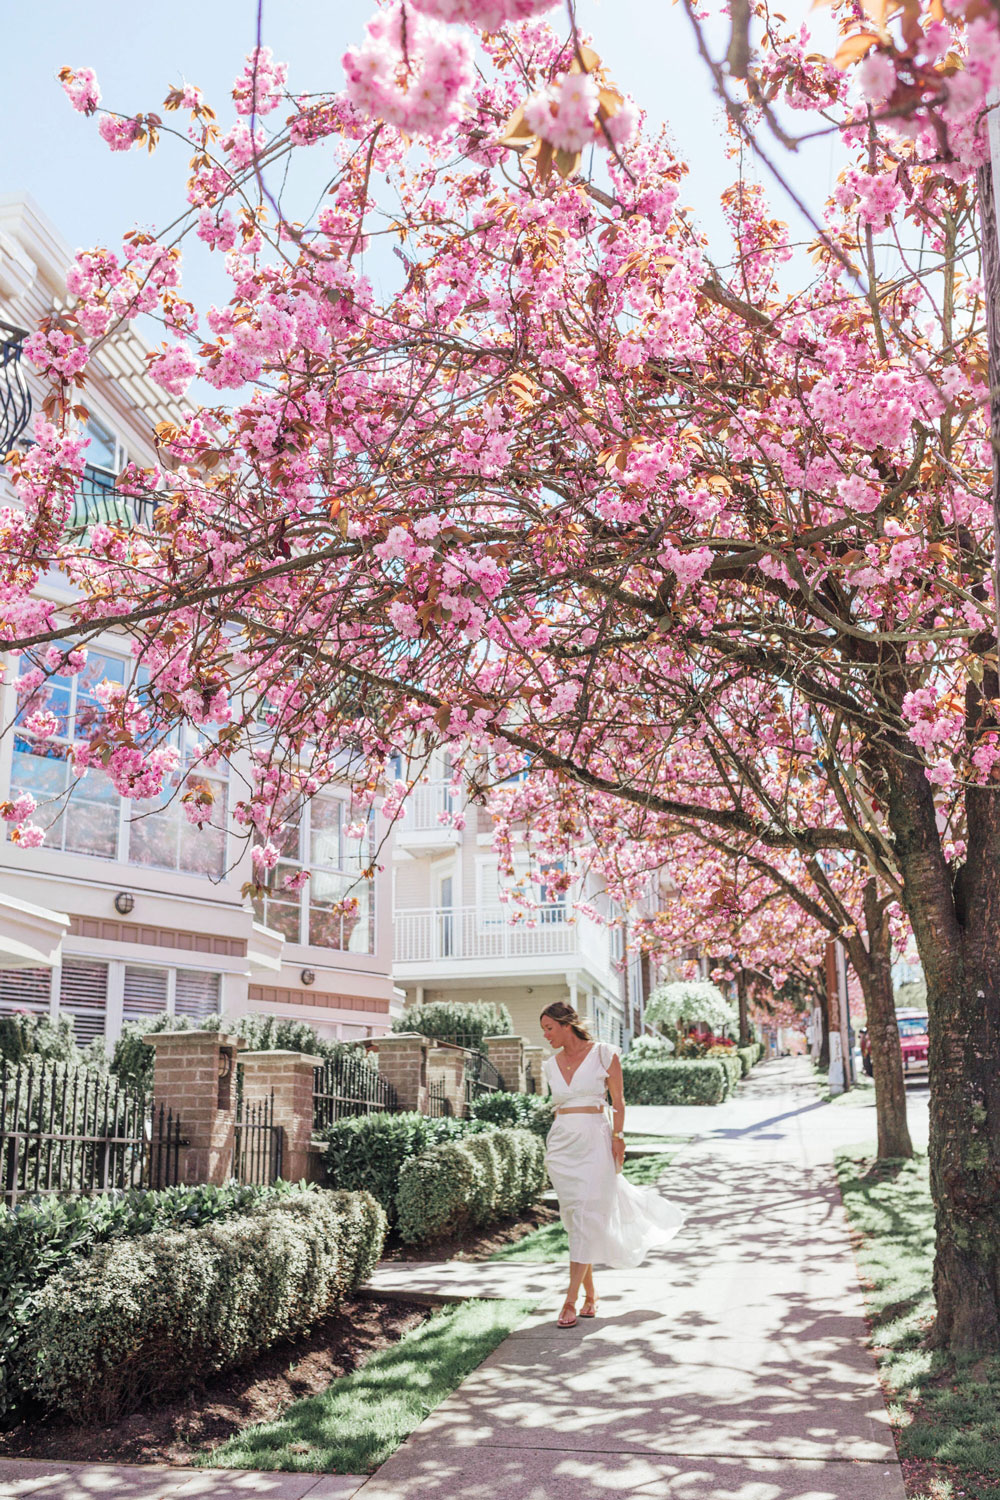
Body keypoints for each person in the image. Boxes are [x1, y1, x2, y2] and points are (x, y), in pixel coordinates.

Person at [540, 1000, 686, 1328]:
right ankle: (591, 1297)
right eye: (544, 1030)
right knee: (578, 1221)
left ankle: (570, 1301)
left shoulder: (605, 1054)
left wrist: (618, 1136)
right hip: (562, 1146)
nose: (546, 1035)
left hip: (595, 1140)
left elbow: (617, 1101)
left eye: (549, 1028)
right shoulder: (550, 1065)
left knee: (589, 1216)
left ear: (567, 1025)